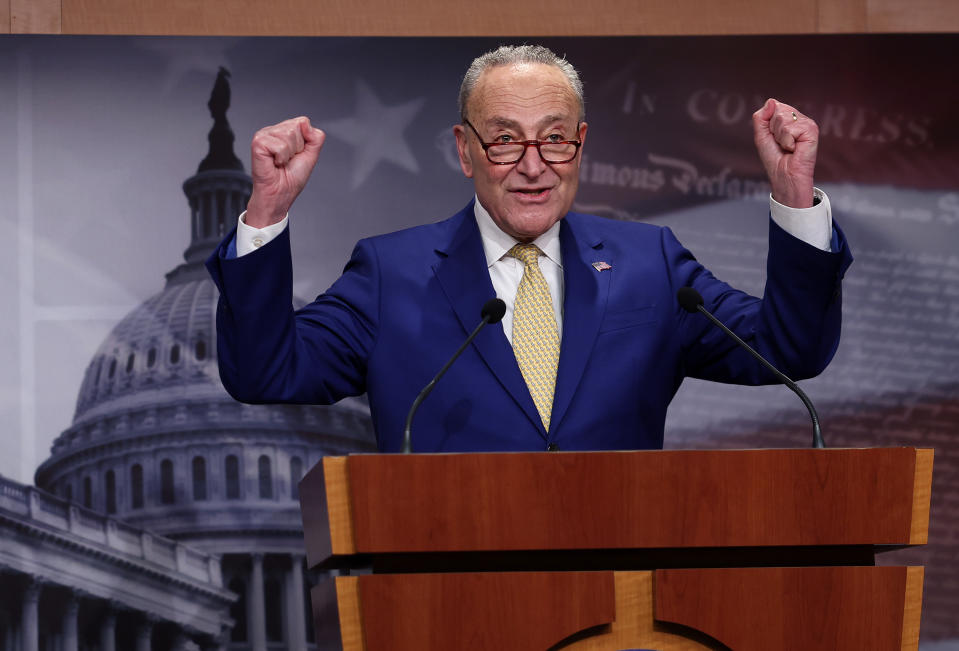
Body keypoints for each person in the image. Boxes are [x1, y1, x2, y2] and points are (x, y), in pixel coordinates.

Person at [206, 45, 852, 453]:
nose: (534, 166)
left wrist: (793, 195)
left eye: (554, 139)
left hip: (621, 616)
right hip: (448, 615)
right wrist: (267, 210)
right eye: (506, 140)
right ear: (463, 150)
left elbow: (788, 348)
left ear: (581, 142)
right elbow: (265, 371)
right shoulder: (390, 273)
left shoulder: (648, 264)